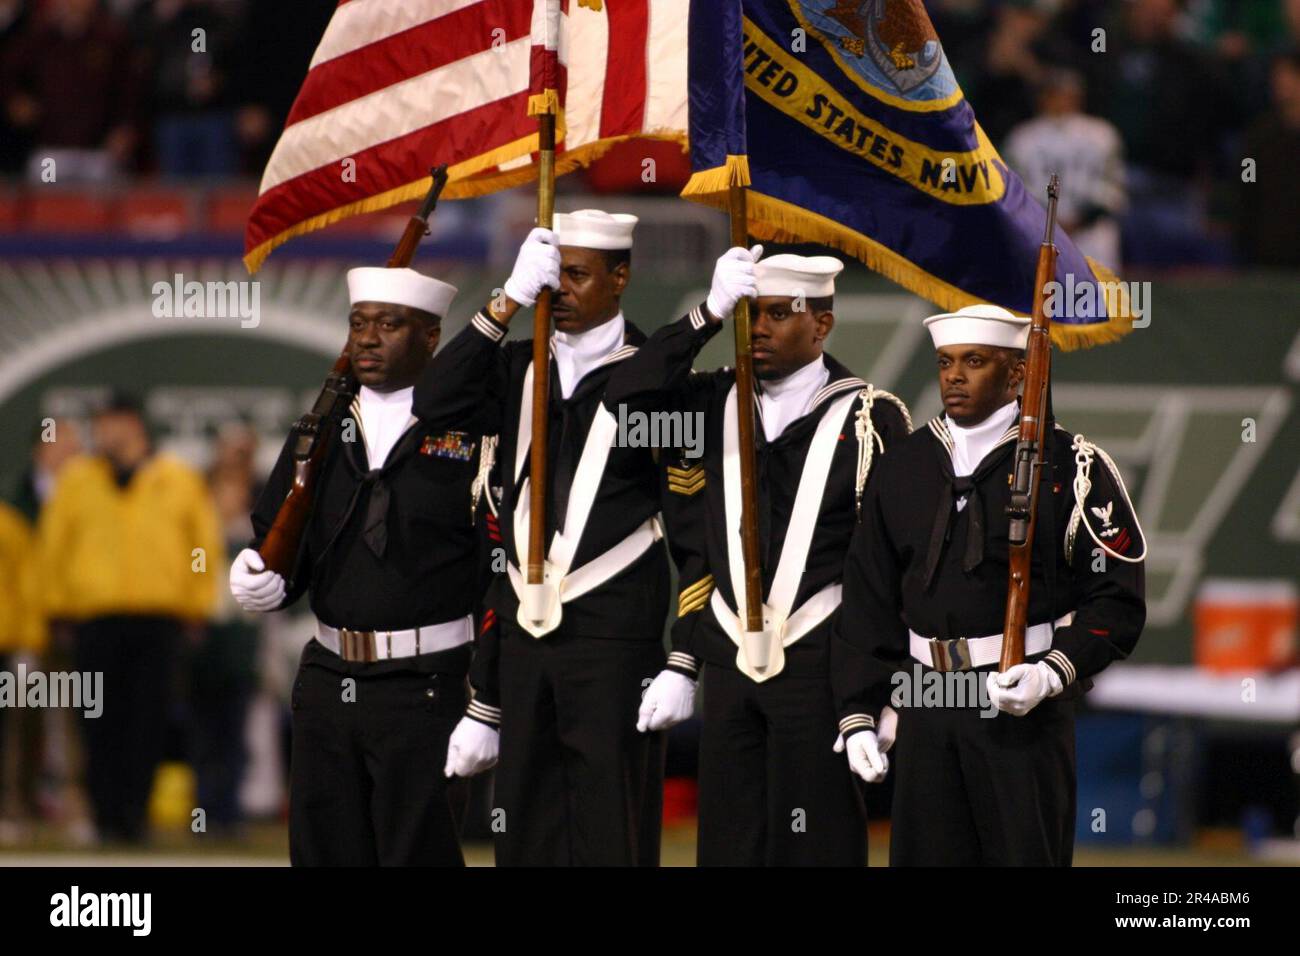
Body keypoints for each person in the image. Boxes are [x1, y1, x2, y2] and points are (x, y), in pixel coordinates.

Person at [607, 247, 911, 865]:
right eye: (749, 315)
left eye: (777, 314)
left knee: (818, 842)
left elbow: (892, 571)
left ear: (821, 323)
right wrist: (707, 316)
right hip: (727, 661)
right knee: (727, 840)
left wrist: (886, 688)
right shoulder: (706, 406)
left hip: (823, 661)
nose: (760, 329)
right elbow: (624, 404)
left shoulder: (874, 420)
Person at [833, 304, 1147, 866]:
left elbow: (1117, 599)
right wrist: (859, 710)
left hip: (1019, 702)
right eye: (945, 362)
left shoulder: (1072, 468)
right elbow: (867, 600)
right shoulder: (902, 466)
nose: (954, 375)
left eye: (975, 362)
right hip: (926, 698)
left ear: (1018, 373)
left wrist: (1052, 672)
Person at [414, 210, 671, 866]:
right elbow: (433, 401)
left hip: (613, 634)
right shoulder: (517, 365)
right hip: (526, 634)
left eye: (576, 277)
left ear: (621, 278)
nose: (560, 293)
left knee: (611, 826)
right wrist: (505, 301)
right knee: (522, 821)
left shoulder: (653, 374)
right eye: (552, 279)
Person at [231, 266, 499, 866]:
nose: (368, 339)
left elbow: (494, 563)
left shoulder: (474, 428)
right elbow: (281, 543)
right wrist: (260, 577)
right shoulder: (320, 428)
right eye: (358, 324)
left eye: (389, 324)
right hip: (328, 681)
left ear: (431, 337)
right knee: (324, 853)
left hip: (426, 684)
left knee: (415, 855)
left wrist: (489, 695)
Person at [37, 392, 223, 843]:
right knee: (97, 718)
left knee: (148, 719)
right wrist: (55, 603)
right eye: (99, 423)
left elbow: (202, 546)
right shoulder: (78, 479)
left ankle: (135, 814)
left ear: (134, 424)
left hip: (159, 618)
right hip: (94, 618)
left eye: (111, 421)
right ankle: (103, 815)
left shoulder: (177, 479)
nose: (103, 431)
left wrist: (196, 602)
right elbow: (55, 545)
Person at [1004, 69, 1126, 270]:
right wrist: (1053, 221)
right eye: (1054, 93)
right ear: (1042, 97)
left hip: (1092, 232)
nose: (1061, 100)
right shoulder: (1021, 138)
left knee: (1098, 295)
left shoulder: (1103, 134)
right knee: (1041, 296)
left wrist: (1078, 221)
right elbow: (1014, 191)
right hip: (1039, 231)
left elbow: (1114, 190)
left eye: (1068, 94)